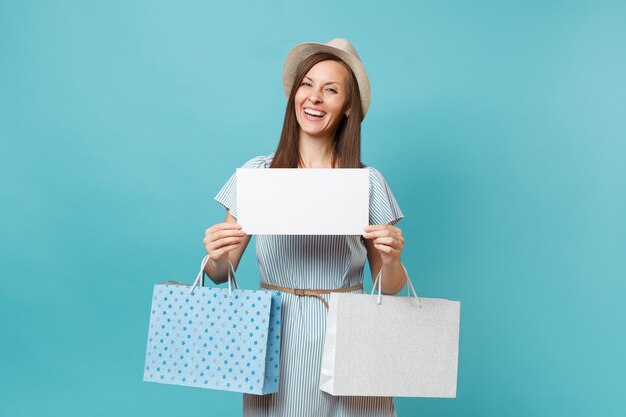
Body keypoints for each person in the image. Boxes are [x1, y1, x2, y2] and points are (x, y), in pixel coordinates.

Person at [203, 38, 407, 417]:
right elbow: (219, 272)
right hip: (275, 335)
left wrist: (393, 257)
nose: (314, 98)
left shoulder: (368, 182)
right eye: (307, 84)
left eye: (330, 90)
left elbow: (389, 286)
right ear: (294, 93)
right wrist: (215, 254)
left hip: (352, 333)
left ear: (347, 107)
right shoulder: (258, 174)